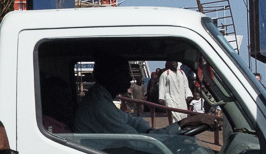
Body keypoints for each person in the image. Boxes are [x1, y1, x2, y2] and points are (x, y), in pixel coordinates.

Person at [74, 55, 218, 135]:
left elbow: (131, 122)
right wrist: (183, 123)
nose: (129, 76)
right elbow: (139, 142)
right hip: (171, 102)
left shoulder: (102, 101)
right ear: (111, 75)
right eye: (125, 72)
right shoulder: (100, 107)